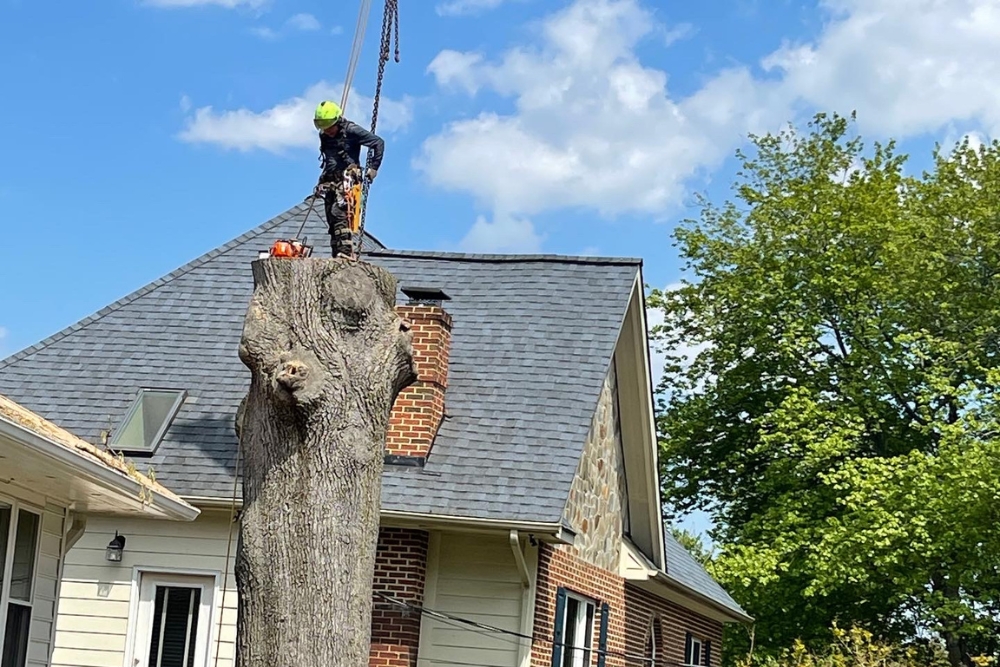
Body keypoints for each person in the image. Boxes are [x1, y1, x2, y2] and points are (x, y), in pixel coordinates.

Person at [313, 100, 384, 258]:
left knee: (339, 213)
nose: (328, 131)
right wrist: (321, 181)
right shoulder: (324, 134)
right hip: (331, 179)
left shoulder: (351, 130)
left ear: (337, 121)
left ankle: (345, 252)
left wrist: (374, 168)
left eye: (330, 127)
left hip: (347, 179)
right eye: (324, 128)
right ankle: (336, 254)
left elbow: (378, 142)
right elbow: (330, 159)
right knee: (331, 220)